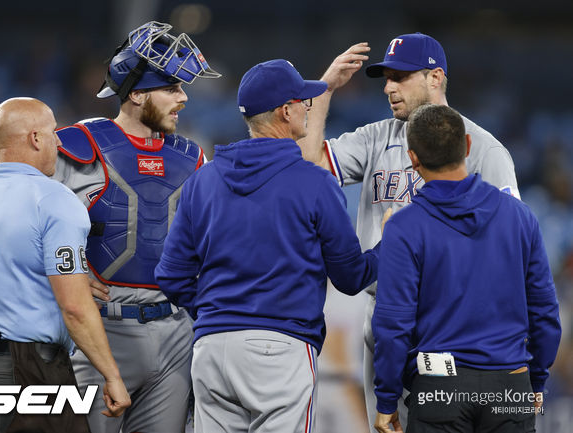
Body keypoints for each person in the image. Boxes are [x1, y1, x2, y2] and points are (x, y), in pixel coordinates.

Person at [297, 32, 521, 431]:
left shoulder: (485, 150)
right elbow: (309, 168)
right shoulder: (376, 137)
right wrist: (325, 89)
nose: (388, 87)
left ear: (435, 78)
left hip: (449, 322)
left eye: (400, 77)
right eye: (386, 77)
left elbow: (510, 249)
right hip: (382, 317)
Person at [155, 59, 381, 433]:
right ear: (285, 110)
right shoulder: (314, 182)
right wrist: (391, 246)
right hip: (279, 348)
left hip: (212, 347)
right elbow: (351, 276)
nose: (307, 107)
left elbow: (171, 275)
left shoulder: (203, 180)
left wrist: (220, 312)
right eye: (302, 101)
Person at [52, 21, 220, 433]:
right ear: (137, 94)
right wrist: (60, 268)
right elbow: (24, 223)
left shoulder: (192, 156)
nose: (183, 98)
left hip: (177, 330)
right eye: (172, 88)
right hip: (102, 329)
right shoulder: (77, 146)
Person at [0, 97, 131, 433]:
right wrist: (112, 375)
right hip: (33, 374)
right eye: (53, 132)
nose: (59, 141)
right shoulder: (55, 199)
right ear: (35, 138)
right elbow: (74, 307)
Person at [372, 104, 561, 433]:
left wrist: (387, 400)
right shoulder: (520, 217)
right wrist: (536, 381)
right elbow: (545, 314)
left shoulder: (404, 227)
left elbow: (392, 325)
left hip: (438, 385)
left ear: (413, 158)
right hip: (509, 383)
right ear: (468, 147)